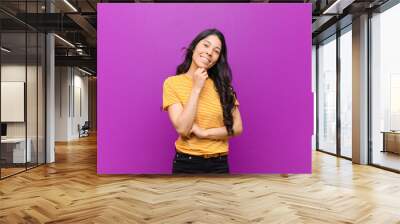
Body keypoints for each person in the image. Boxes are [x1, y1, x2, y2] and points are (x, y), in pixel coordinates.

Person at [162, 28, 243, 174]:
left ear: (218, 58)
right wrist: (197, 88)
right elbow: (183, 129)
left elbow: (237, 127)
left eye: (216, 51)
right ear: (194, 47)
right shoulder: (172, 83)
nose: (209, 52)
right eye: (206, 45)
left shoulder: (224, 87)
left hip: (220, 164)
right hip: (186, 163)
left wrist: (204, 133)